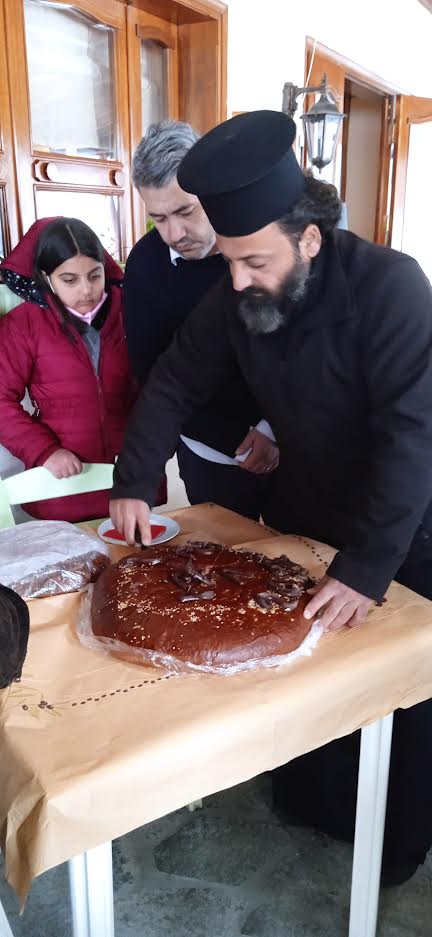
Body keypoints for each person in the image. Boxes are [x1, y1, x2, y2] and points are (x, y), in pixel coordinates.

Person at [109, 110, 432, 884]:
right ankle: (311, 800)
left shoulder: (392, 287)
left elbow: (412, 438)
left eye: (254, 261)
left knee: (392, 688)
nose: (240, 280)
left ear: (310, 239)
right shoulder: (237, 291)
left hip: (401, 527)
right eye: (230, 262)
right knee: (304, 673)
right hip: (304, 504)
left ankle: (390, 842)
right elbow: (176, 380)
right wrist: (130, 480)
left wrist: (364, 567)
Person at [124, 120, 278, 520]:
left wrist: (271, 429)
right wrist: (235, 440)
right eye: (159, 218)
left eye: (185, 211)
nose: (175, 233)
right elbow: (156, 374)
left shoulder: (260, 247)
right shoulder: (144, 265)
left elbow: (299, 353)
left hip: (290, 436)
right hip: (207, 447)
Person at [0, 216, 151, 521]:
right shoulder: (23, 324)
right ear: (46, 276)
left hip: (131, 475)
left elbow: (156, 383)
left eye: (95, 276)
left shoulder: (132, 309)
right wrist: (44, 452)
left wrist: (152, 443)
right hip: (61, 483)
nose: (86, 290)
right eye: (69, 280)